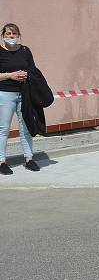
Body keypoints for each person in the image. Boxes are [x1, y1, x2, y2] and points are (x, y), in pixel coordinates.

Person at [0, 24, 40, 175]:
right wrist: (10, 75)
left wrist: (26, 74)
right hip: (5, 94)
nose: (11, 36)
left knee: (26, 127)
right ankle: (1, 161)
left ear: (18, 35)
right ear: (3, 35)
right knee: (3, 129)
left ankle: (29, 159)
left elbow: (33, 69)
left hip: (24, 93)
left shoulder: (25, 51)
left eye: (14, 33)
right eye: (8, 33)